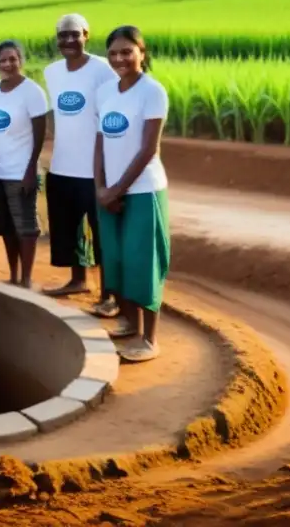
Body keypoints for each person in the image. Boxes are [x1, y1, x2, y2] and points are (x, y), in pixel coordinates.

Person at [94, 26, 171, 364]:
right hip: (110, 191)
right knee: (117, 259)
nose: (119, 59)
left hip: (143, 190)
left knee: (144, 261)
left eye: (127, 52)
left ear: (142, 52)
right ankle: (128, 322)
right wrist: (100, 187)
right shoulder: (105, 92)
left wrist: (117, 190)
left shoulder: (152, 92)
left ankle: (150, 339)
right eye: (113, 53)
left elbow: (148, 149)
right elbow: (99, 143)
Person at [42, 13, 118, 317]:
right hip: (62, 164)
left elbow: (115, 110)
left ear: (87, 34)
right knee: (67, 229)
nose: (69, 40)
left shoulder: (103, 70)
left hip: (95, 168)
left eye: (75, 34)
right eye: (63, 35)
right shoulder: (51, 72)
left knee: (101, 234)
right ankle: (77, 281)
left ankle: (109, 294)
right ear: (57, 39)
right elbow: (53, 110)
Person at [0, 40, 48, 288]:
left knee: (26, 227)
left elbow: (41, 133)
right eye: (3, 60)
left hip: (21, 171)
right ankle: (13, 274)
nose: (8, 64)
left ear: (21, 60)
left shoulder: (32, 92)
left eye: (13, 59)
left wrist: (31, 168)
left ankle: (27, 278)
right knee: (5, 226)